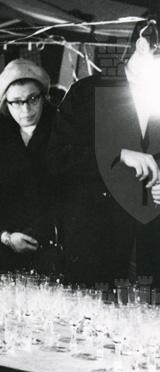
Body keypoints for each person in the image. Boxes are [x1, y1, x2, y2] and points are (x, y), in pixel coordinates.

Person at [48, 17, 160, 286]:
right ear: (143, 45)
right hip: (96, 241)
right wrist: (118, 155)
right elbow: (58, 157)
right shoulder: (87, 93)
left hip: (150, 248)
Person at [0, 59, 61, 273]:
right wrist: (5, 236)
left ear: (43, 97)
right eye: (16, 102)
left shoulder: (61, 130)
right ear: (6, 104)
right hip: (9, 249)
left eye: (32, 99)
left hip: (55, 249)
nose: (26, 109)